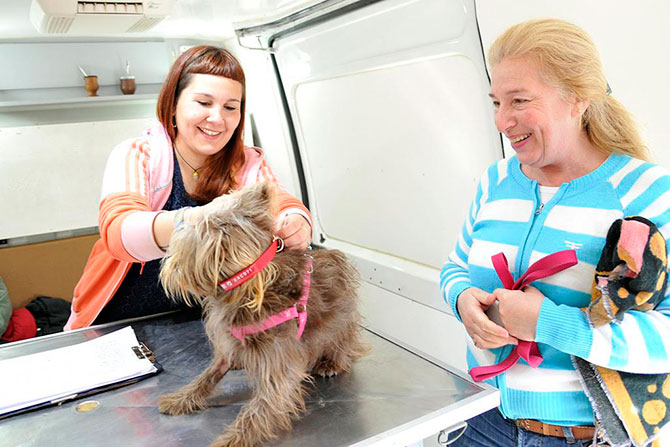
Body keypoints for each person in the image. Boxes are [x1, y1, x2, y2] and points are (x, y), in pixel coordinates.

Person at [440, 18, 670, 446]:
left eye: (519, 100)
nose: (501, 121)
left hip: (583, 436)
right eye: (495, 102)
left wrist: (552, 324)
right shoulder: (496, 181)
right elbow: (455, 266)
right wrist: (463, 300)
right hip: (480, 418)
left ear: (578, 99)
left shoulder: (647, 194)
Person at [65, 46, 312, 330]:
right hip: (118, 318)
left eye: (230, 107)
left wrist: (296, 222)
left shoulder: (247, 162)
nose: (217, 118)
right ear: (173, 105)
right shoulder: (139, 154)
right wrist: (201, 219)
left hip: (206, 320)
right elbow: (119, 233)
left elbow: (281, 202)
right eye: (204, 103)